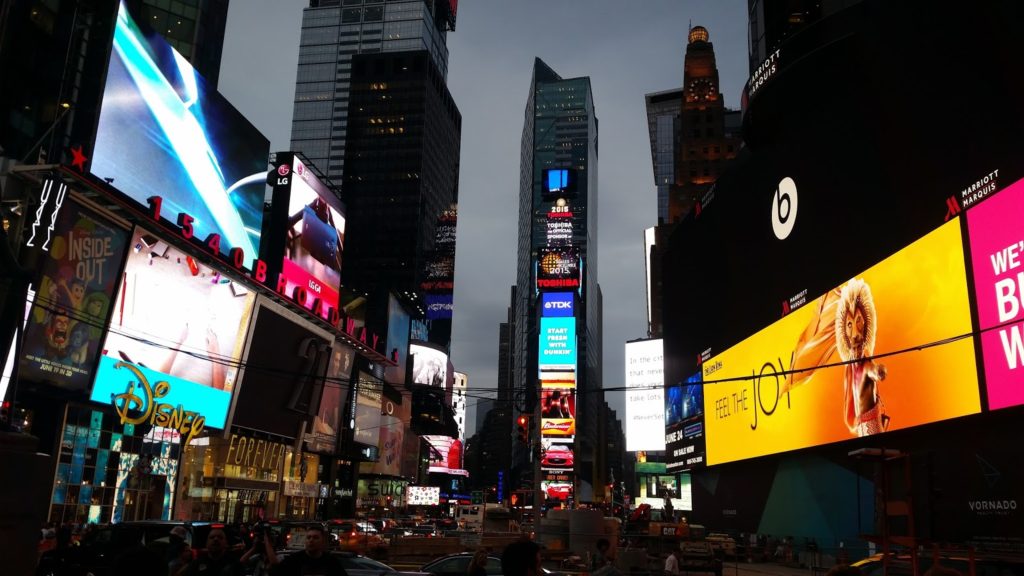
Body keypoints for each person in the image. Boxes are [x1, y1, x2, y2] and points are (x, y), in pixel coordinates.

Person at [268, 525, 348, 576]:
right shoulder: (294, 560)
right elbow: (275, 570)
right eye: (308, 537)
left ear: (323, 541)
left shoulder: (331, 562)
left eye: (315, 537)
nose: (311, 540)